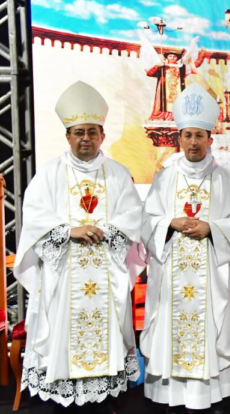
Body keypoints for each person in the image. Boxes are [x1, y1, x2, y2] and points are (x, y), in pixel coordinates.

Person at [14, 81, 143, 410]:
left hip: (105, 277)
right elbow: (34, 221)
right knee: (62, 342)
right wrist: (70, 230)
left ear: (102, 135)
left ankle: (100, 400)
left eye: (92, 131)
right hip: (63, 277)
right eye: (78, 132)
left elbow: (133, 218)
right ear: (68, 136)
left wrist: (104, 230)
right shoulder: (48, 175)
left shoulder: (117, 174)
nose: (85, 138)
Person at [141, 83, 230, 412]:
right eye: (187, 135)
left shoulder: (226, 180)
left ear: (210, 139)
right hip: (171, 279)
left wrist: (212, 229)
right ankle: (171, 397)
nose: (193, 142)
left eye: (199, 136)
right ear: (179, 138)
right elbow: (146, 222)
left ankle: (210, 398)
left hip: (210, 281)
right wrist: (168, 224)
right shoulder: (164, 179)